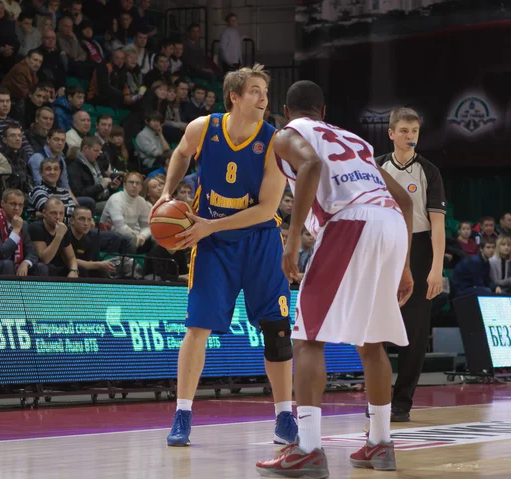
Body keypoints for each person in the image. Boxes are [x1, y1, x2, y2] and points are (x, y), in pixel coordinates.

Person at [255, 80, 415, 477]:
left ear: (287, 112)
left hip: (350, 223)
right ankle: (380, 444)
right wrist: (406, 265)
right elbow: (407, 200)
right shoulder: (355, 140)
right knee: (371, 341)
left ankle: (307, 449)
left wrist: (292, 239)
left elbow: (310, 164)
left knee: (307, 339)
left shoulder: (287, 135)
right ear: (323, 111)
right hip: (391, 225)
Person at [151, 64, 297, 447]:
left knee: (277, 332)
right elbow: (181, 155)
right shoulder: (202, 128)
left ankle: (285, 416)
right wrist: (168, 192)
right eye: (254, 90)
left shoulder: (275, 141)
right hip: (214, 245)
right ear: (234, 96)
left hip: (259, 241)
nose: (263, 97)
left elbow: (267, 209)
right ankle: (182, 414)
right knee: (196, 328)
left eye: (265, 90)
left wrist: (207, 227)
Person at [376, 107, 446, 422]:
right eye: (404, 130)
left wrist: (436, 268)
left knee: (415, 331)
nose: (410, 136)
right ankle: (376, 399)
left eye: (414, 131)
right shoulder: (376, 166)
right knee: (375, 327)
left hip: (418, 249)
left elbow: (438, 225)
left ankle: (402, 402)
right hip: (382, 247)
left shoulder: (429, 171)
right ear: (391, 133)